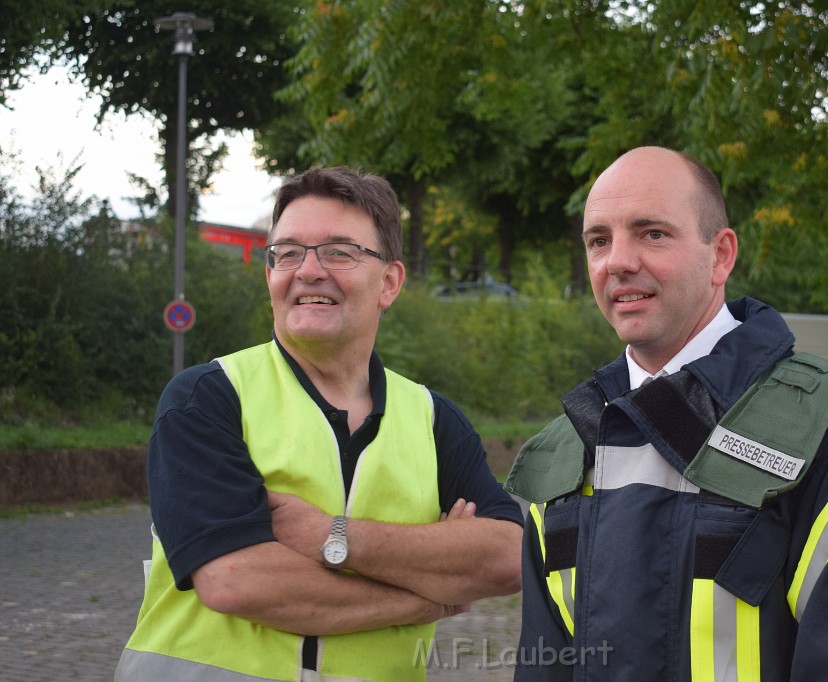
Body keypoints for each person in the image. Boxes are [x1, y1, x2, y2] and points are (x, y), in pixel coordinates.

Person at [506, 146, 828, 681]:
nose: (617, 261)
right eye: (599, 240)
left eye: (652, 233)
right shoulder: (565, 451)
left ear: (721, 256)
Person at [115, 165, 523, 681]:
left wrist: (329, 535)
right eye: (287, 252)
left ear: (390, 282)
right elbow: (236, 581)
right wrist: (428, 595)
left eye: (338, 252)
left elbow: (508, 557)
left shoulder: (433, 418)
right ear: (270, 274)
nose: (308, 270)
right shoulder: (208, 398)